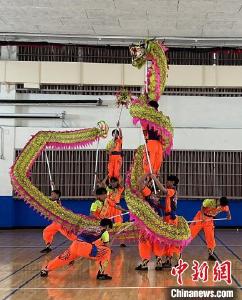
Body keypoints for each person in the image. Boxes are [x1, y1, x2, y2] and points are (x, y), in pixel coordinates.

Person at [40, 218, 113, 280]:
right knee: (107, 251)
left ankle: (46, 269)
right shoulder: (104, 231)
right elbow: (106, 245)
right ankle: (101, 274)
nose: (108, 230)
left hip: (75, 245)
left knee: (62, 258)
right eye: (109, 228)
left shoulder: (90, 226)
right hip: (84, 247)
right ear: (107, 226)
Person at [151, 174, 180, 268]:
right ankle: (168, 259)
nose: (166, 182)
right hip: (168, 218)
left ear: (172, 182)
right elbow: (160, 193)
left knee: (170, 240)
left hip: (171, 219)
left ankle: (177, 260)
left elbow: (164, 190)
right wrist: (156, 195)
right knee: (167, 240)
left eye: (168, 181)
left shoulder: (172, 191)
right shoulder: (171, 192)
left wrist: (155, 179)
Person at [142, 101, 163, 174]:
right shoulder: (146, 118)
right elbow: (144, 130)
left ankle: (155, 177)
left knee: (158, 161)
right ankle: (148, 178)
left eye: (156, 108)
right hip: (151, 142)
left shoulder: (160, 118)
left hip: (159, 143)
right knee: (150, 162)